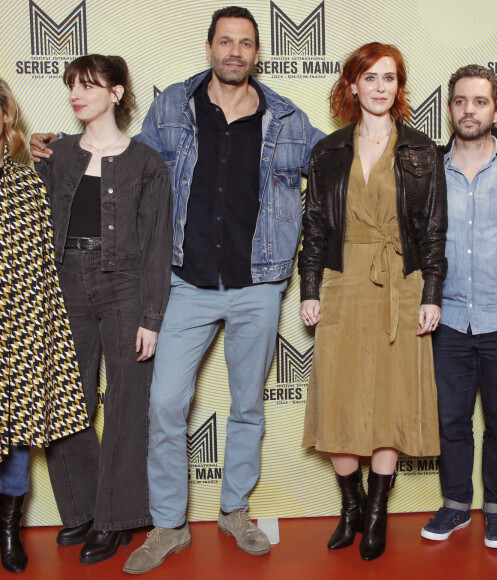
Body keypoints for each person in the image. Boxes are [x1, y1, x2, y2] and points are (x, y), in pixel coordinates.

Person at [29, 7, 323, 573]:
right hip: (183, 282)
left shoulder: (286, 117)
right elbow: (125, 160)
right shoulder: (173, 107)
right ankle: (168, 524)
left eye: (245, 43)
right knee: (163, 406)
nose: (234, 51)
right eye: (224, 41)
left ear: (257, 53)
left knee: (246, 408)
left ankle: (235, 510)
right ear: (209, 47)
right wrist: (61, 144)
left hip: (258, 284)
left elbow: (336, 158)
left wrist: (411, 149)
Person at [299, 42, 446, 562]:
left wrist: (431, 293)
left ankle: (378, 513)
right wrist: (310, 288)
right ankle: (351, 508)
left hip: (401, 284)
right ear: (352, 85)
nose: (380, 86)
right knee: (339, 397)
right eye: (370, 77)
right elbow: (314, 225)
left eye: (389, 77)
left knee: (390, 398)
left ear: (397, 87)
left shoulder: (421, 151)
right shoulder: (328, 150)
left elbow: (433, 231)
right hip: (343, 279)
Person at [34, 55, 173, 565]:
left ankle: (116, 518)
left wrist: (151, 317)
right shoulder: (56, 154)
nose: (76, 93)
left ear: (115, 93)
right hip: (66, 282)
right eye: (72, 84)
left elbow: (158, 244)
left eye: (88, 85)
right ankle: (86, 510)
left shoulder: (146, 163)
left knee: (125, 404)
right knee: (66, 399)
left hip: (125, 287)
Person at [420, 65, 497, 549]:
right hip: (447, 319)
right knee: (451, 420)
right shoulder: (428, 170)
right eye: (461, 101)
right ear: (449, 109)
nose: (470, 110)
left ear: (496, 109)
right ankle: (454, 505)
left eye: (480, 101)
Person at [0, 79, 89, 573]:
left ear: (5, 118)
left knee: (14, 438)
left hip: (19, 331)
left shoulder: (29, 182)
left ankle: (10, 533)